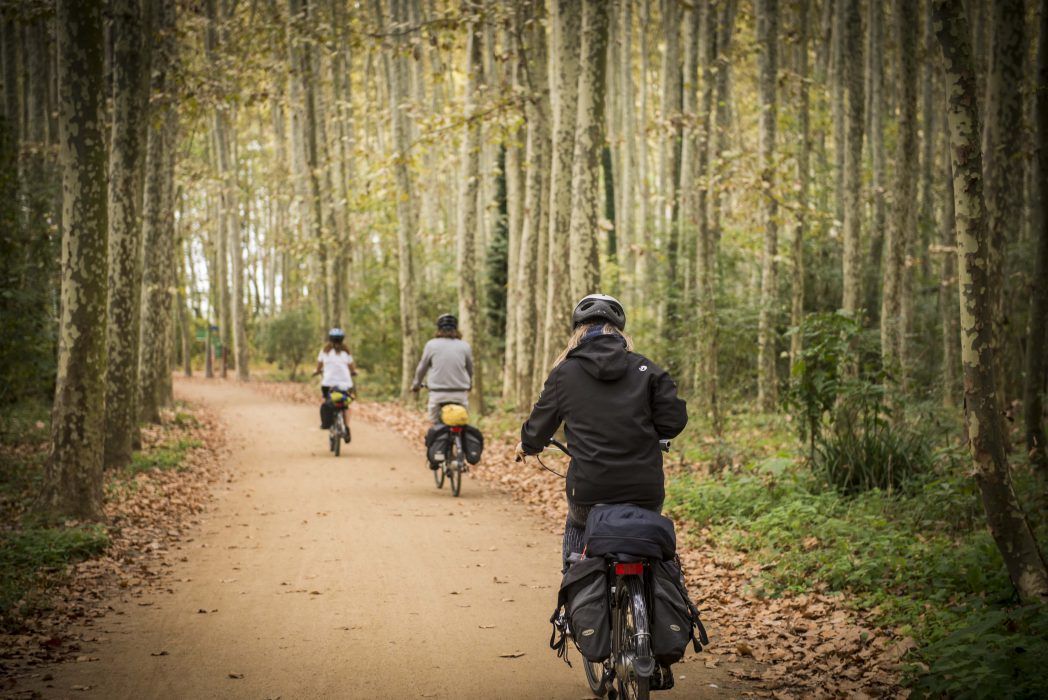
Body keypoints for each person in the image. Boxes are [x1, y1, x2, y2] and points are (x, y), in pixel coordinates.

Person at [515, 293, 687, 687]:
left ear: (578, 332)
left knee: (578, 530)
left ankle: (575, 599)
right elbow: (673, 420)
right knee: (654, 549)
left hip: (588, 490)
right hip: (644, 487)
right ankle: (660, 627)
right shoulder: (645, 368)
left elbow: (539, 426)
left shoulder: (564, 373)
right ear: (619, 331)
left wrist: (528, 445)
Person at [411, 314, 473, 424]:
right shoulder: (465, 346)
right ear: (455, 329)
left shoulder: (431, 345)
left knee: (435, 424)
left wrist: (416, 385)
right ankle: (462, 439)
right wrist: (470, 384)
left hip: (437, 394)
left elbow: (422, 368)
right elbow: (470, 369)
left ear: (439, 329)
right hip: (460, 394)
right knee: (463, 423)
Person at [313, 328, 357, 440]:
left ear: (330, 339)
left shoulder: (324, 351)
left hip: (328, 384)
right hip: (345, 385)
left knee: (328, 401)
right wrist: (353, 372)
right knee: (345, 405)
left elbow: (319, 366)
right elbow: (351, 367)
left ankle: (329, 423)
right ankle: (346, 428)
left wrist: (317, 371)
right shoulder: (346, 353)